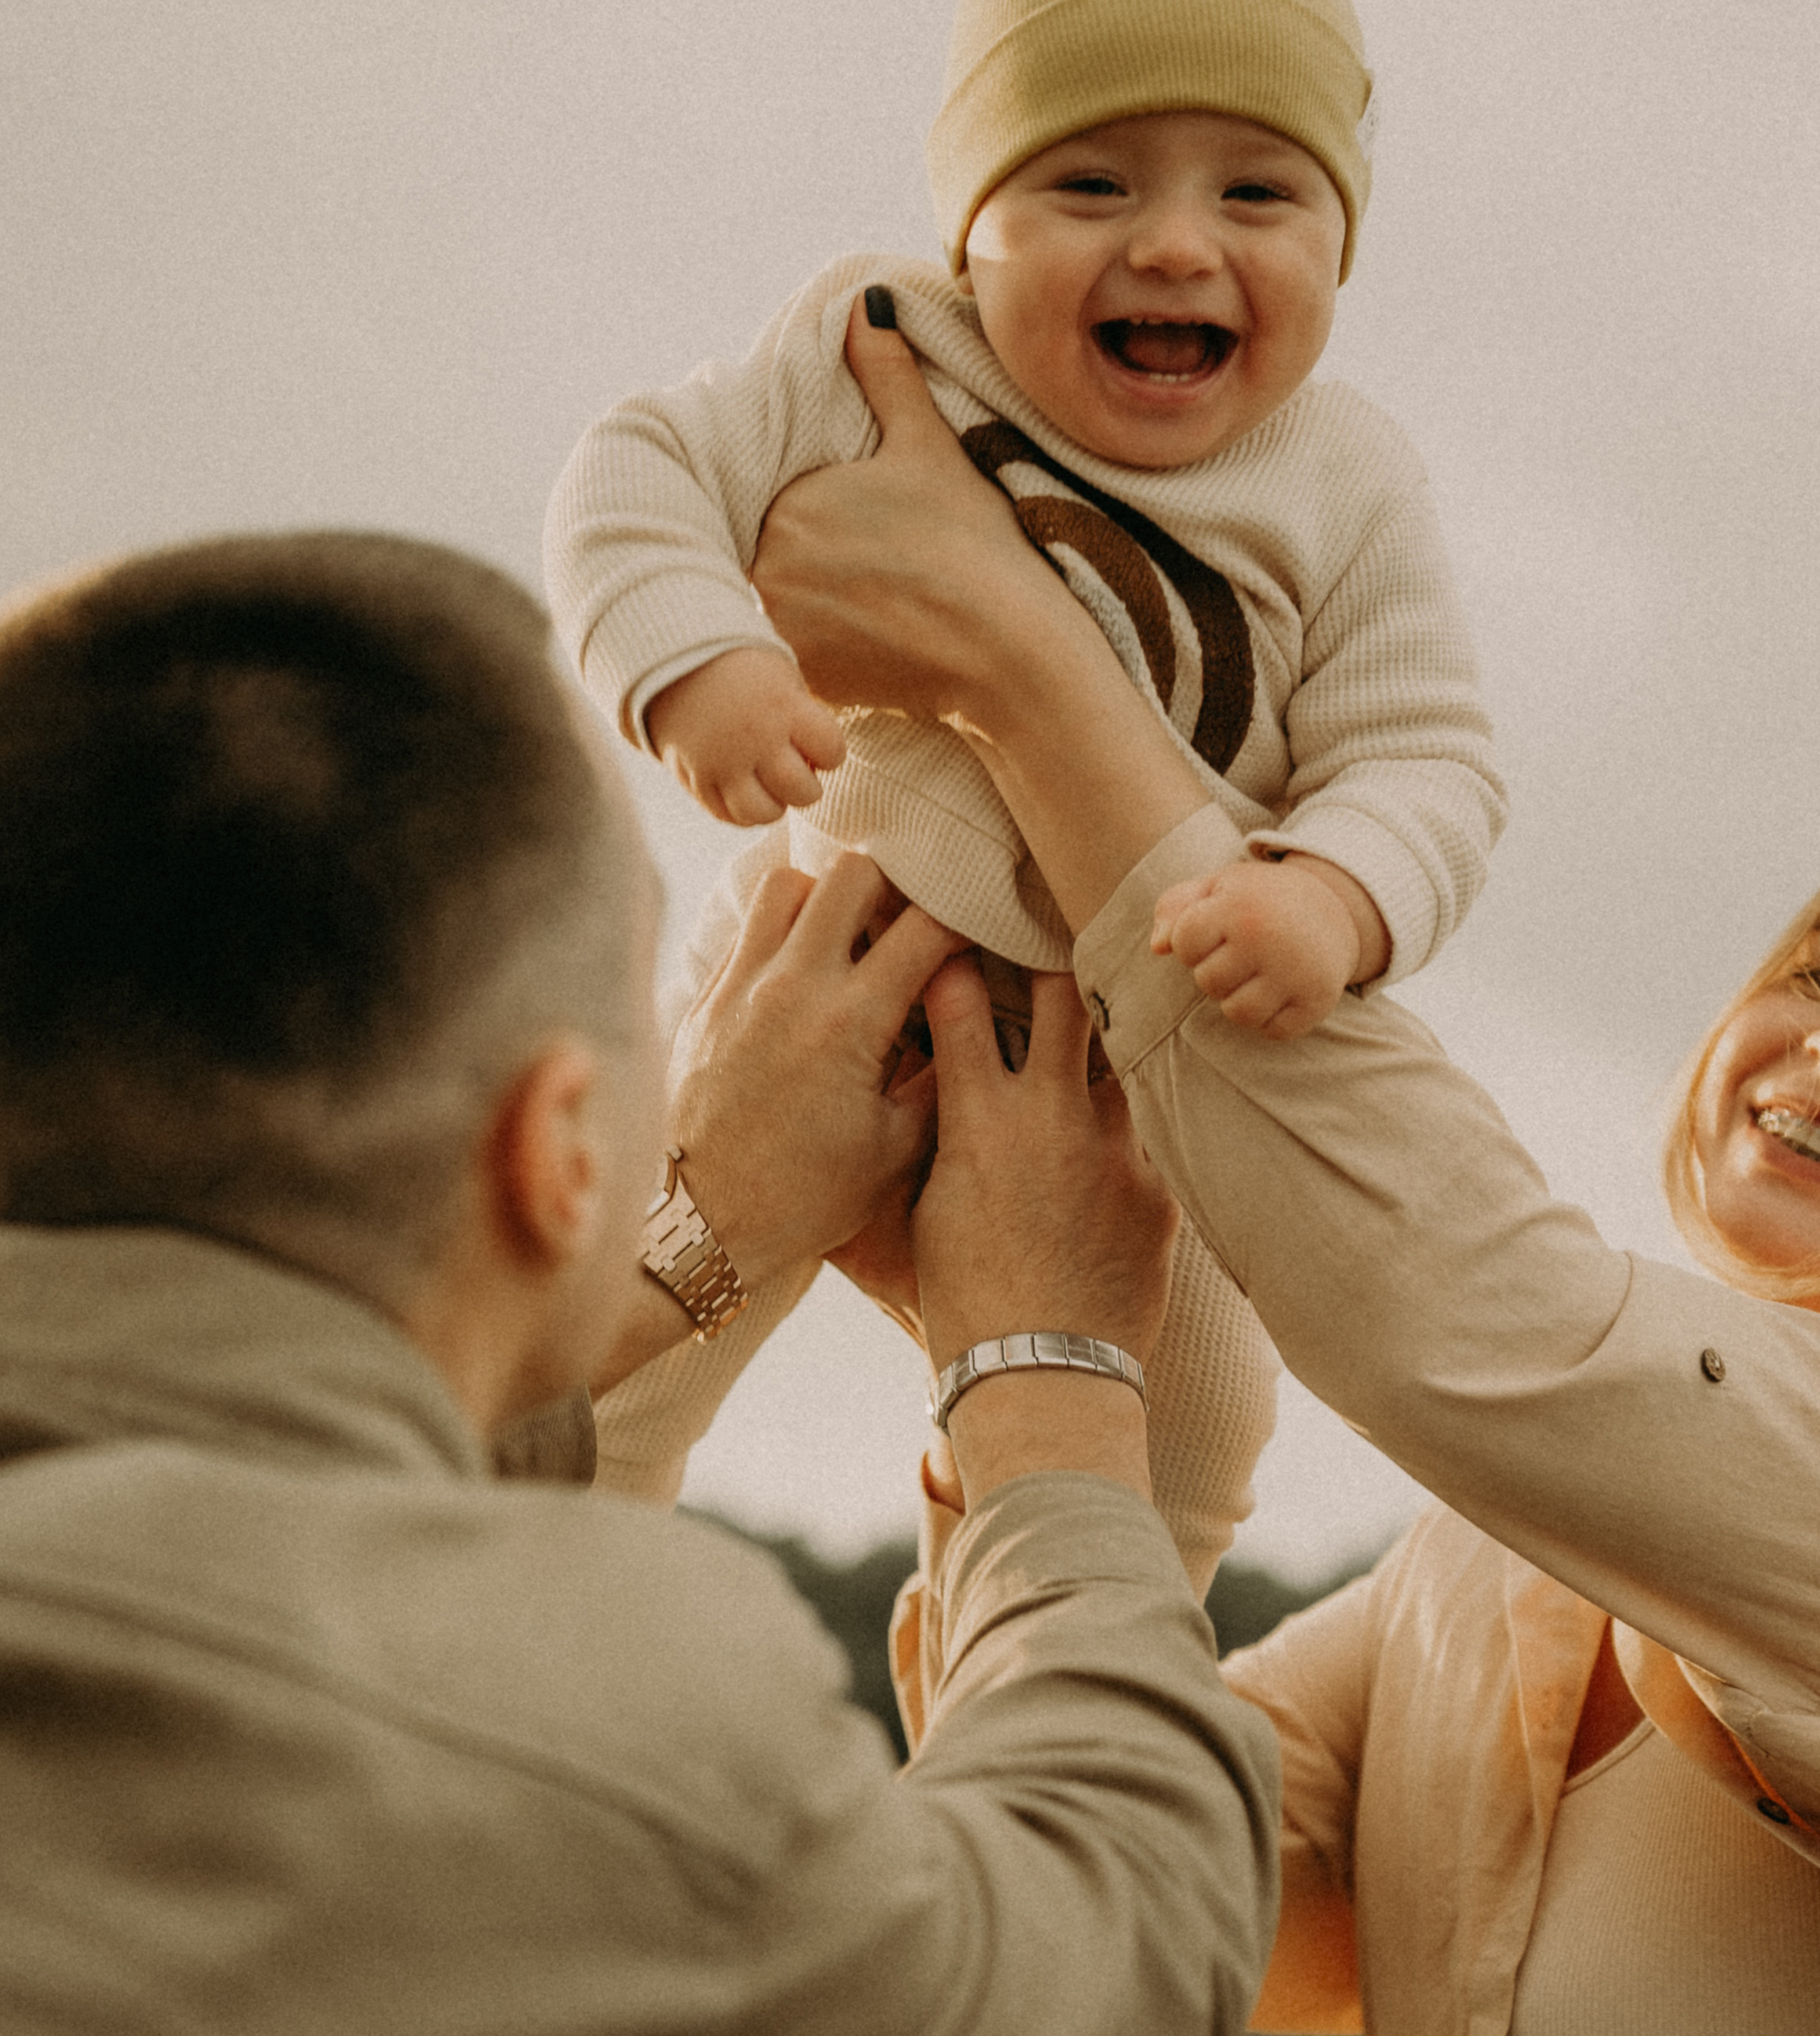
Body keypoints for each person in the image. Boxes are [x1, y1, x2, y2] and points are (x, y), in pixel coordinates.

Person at [740, 314, 1820, 2032]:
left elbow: (1468, 1304)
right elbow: (1104, 1893)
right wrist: (1019, 1296)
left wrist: (1024, 672)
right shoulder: (1485, 1574)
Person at [0, 532, 1282, 2034]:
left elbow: (228, 1446)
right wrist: (1051, 1380)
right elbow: (1112, 1956)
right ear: (558, 1141)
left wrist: (690, 1237)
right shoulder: (614, 1732)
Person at [543, 0, 1504, 1584]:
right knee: (635, 1333)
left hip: (1121, 1056)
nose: (1178, 246)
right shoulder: (882, 342)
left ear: (1340, 247)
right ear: (967, 227)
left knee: (1191, 1426)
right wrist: (694, 661)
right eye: (1091, 186)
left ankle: (1046, 1680)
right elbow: (638, 465)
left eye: (1255, 194)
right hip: (819, 950)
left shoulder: (1346, 479)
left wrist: (1331, 891)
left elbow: (1425, 760)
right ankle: (534, 1623)